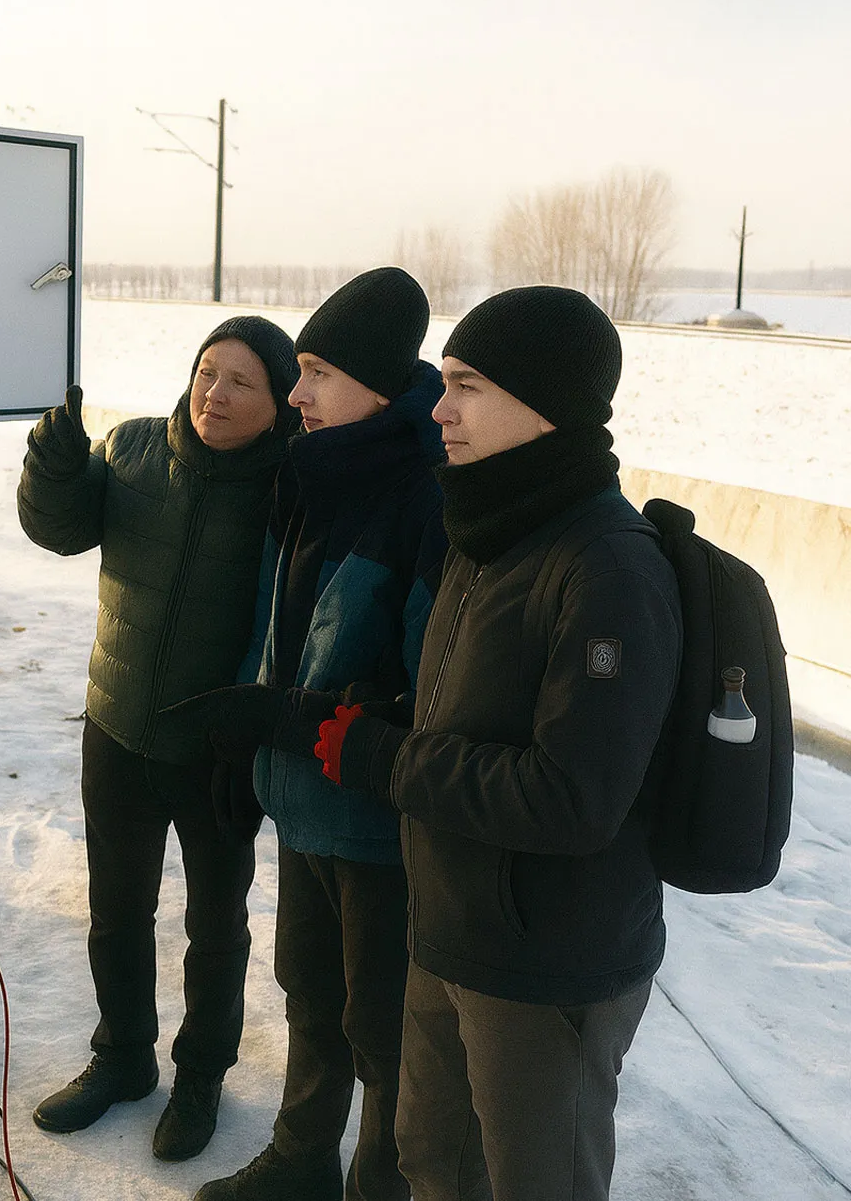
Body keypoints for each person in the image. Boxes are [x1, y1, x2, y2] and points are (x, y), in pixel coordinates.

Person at [274, 286, 684, 1201]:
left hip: (547, 966)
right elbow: (467, 713)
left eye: (466, 386)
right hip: (449, 929)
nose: (441, 409)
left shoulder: (608, 568)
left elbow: (572, 798)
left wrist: (383, 757)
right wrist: (368, 717)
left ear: (544, 406)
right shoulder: (488, 529)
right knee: (432, 1165)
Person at [163, 266, 447, 1201]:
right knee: (309, 991)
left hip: (376, 823)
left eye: (319, 373)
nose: (296, 393)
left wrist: (288, 723)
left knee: (382, 1027)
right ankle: (300, 1157)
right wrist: (254, 745)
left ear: (377, 388)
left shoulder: (425, 501)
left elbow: (428, 699)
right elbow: (276, 631)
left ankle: (380, 1183)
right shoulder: (312, 473)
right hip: (302, 800)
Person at [17, 315, 299, 1164]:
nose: (216, 394)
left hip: (217, 752)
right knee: (116, 910)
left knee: (216, 925)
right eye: (208, 372)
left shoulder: (292, 488)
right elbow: (60, 527)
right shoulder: (135, 449)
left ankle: (201, 1075)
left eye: (241, 382)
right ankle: (123, 1058)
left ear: (280, 402)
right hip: (117, 728)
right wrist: (54, 465)